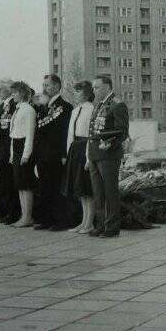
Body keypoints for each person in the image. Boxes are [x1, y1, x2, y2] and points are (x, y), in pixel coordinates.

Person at [87, 75, 129, 237]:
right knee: (98, 192)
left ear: (107, 87)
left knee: (109, 191)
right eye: (94, 88)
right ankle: (100, 225)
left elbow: (122, 131)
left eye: (97, 87)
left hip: (109, 154)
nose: (94, 91)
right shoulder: (99, 105)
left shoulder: (117, 105)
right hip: (95, 153)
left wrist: (111, 143)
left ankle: (111, 227)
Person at [33, 74, 73, 231]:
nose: (44, 88)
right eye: (43, 85)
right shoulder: (43, 107)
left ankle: (60, 220)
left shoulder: (65, 106)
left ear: (57, 86)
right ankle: (46, 219)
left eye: (48, 85)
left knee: (56, 187)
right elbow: (39, 130)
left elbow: (64, 133)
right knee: (44, 187)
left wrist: (64, 154)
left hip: (56, 153)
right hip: (42, 153)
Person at [62, 81, 96, 234]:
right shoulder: (75, 111)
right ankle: (83, 222)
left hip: (85, 148)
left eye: (78, 92)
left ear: (87, 94)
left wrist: (89, 158)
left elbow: (91, 135)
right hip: (75, 149)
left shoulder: (91, 110)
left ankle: (90, 223)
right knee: (80, 189)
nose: (75, 95)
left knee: (87, 188)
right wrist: (68, 152)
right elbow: (70, 133)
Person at [0, 78, 20, 223]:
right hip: (0, 151)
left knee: (10, 184)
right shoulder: (2, 106)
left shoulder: (15, 105)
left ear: (9, 90)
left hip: (9, 150)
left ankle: (12, 214)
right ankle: (4, 212)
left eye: (1, 89)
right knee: (2, 183)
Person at [8, 82, 37, 227]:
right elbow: (13, 133)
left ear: (22, 93)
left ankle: (28, 216)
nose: (13, 95)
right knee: (19, 185)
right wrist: (12, 153)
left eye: (15, 92)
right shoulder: (17, 109)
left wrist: (26, 154)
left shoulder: (29, 110)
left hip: (25, 147)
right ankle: (23, 214)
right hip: (16, 147)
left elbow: (29, 133)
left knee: (26, 184)